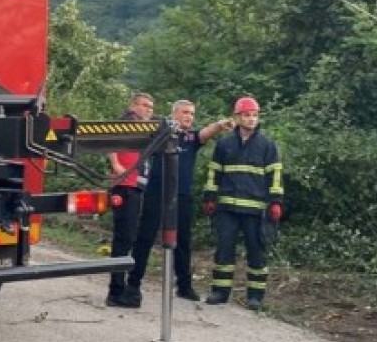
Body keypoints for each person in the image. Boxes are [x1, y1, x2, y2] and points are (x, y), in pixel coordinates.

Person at [128, 100, 231, 303]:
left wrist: (220, 125)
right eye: (185, 112)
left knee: (183, 241)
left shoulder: (191, 138)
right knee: (145, 238)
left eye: (192, 113)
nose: (189, 117)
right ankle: (133, 284)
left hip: (181, 195)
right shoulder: (161, 133)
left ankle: (184, 286)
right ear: (174, 113)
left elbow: (205, 133)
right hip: (157, 192)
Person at [202, 96, 283, 311]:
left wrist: (276, 202)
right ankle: (220, 292)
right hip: (227, 208)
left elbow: (275, 176)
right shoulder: (224, 144)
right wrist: (209, 197)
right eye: (247, 115)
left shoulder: (267, 145)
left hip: (255, 210)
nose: (251, 119)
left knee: (256, 253)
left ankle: (255, 297)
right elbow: (214, 172)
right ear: (237, 117)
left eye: (254, 115)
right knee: (224, 250)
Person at [104, 92, 154, 308]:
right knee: (124, 238)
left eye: (151, 107)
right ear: (133, 105)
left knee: (128, 237)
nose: (148, 110)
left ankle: (119, 288)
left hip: (135, 186)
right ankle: (115, 291)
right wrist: (116, 165)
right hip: (125, 186)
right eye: (144, 105)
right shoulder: (126, 122)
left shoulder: (143, 127)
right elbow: (109, 141)